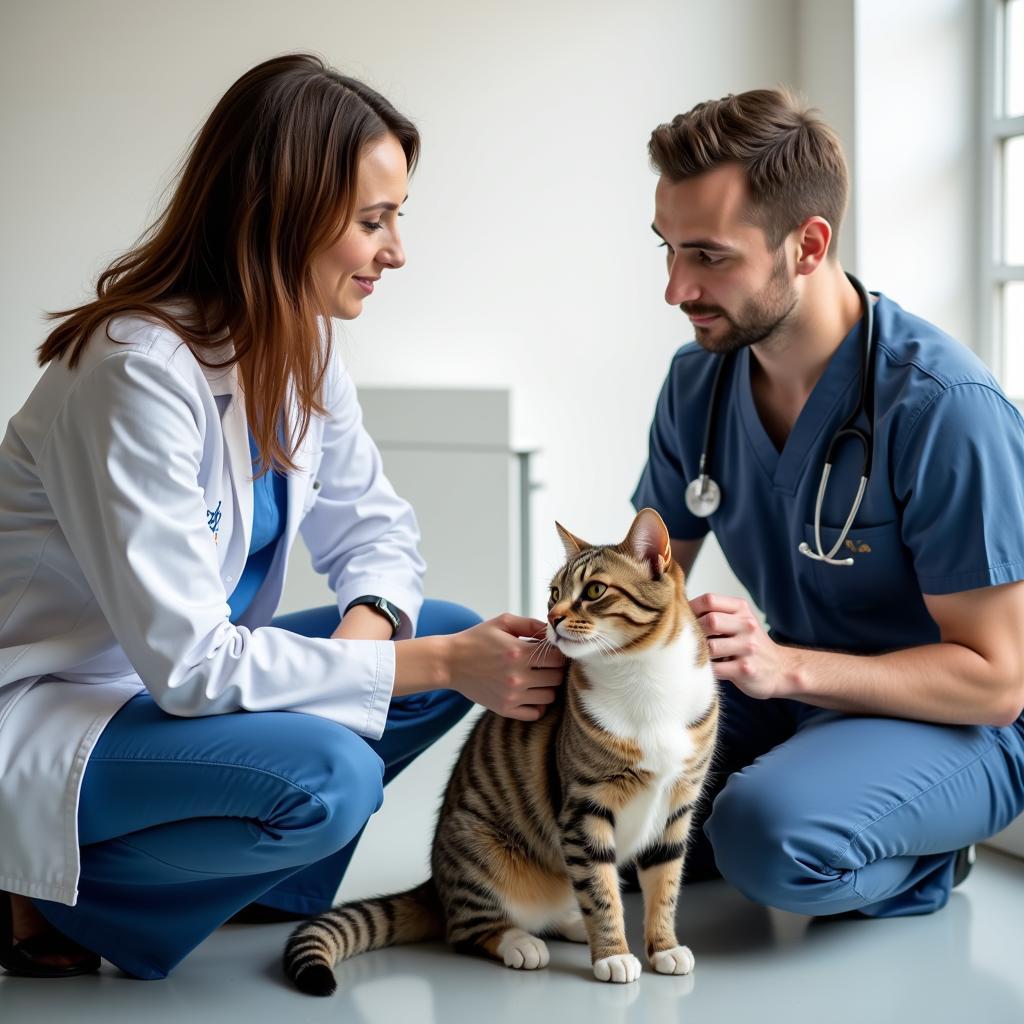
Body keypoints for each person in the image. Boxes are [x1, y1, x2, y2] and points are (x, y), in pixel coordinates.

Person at [0, 53, 564, 982]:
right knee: (334, 773)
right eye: (373, 222)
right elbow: (187, 666)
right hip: (63, 711)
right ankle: (48, 897)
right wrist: (401, 668)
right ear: (284, 214)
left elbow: (377, 530)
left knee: (456, 634)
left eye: (396, 219)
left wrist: (373, 626)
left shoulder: (296, 336)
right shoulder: (133, 371)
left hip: (165, 699)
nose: (396, 251)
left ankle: (256, 882)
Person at [632, 88, 1024, 919]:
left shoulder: (942, 406)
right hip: (789, 695)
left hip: (953, 724)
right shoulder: (697, 382)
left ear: (807, 246)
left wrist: (785, 665)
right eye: (666, 250)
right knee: (600, 798)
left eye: (708, 256)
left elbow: (997, 683)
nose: (675, 288)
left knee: (762, 836)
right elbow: (650, 579)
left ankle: (923, 859)